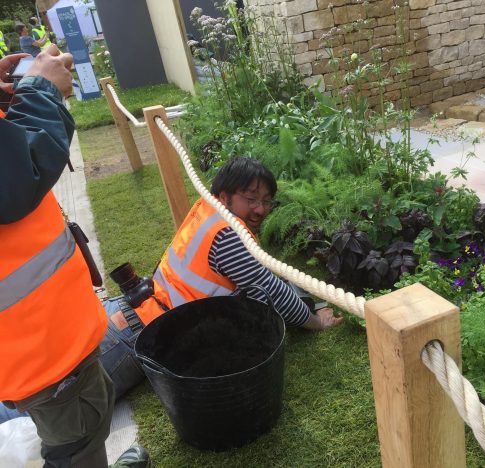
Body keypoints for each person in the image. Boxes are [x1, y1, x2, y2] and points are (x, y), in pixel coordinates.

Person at [0, 46, 149, 467]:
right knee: (75, 445)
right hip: (38, 347)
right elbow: (13, 182)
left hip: (42, 337)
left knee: (87, 421)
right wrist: (41, 89)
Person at [101, 156, 344, 398]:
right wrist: (316, 322)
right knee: (74, 413)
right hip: (131, 338)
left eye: (266, 201)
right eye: (251, 199)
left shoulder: (207, 209)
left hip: (127, 311)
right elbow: (271, 290)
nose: (260, 209)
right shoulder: (227, 236)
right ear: (224, 196)